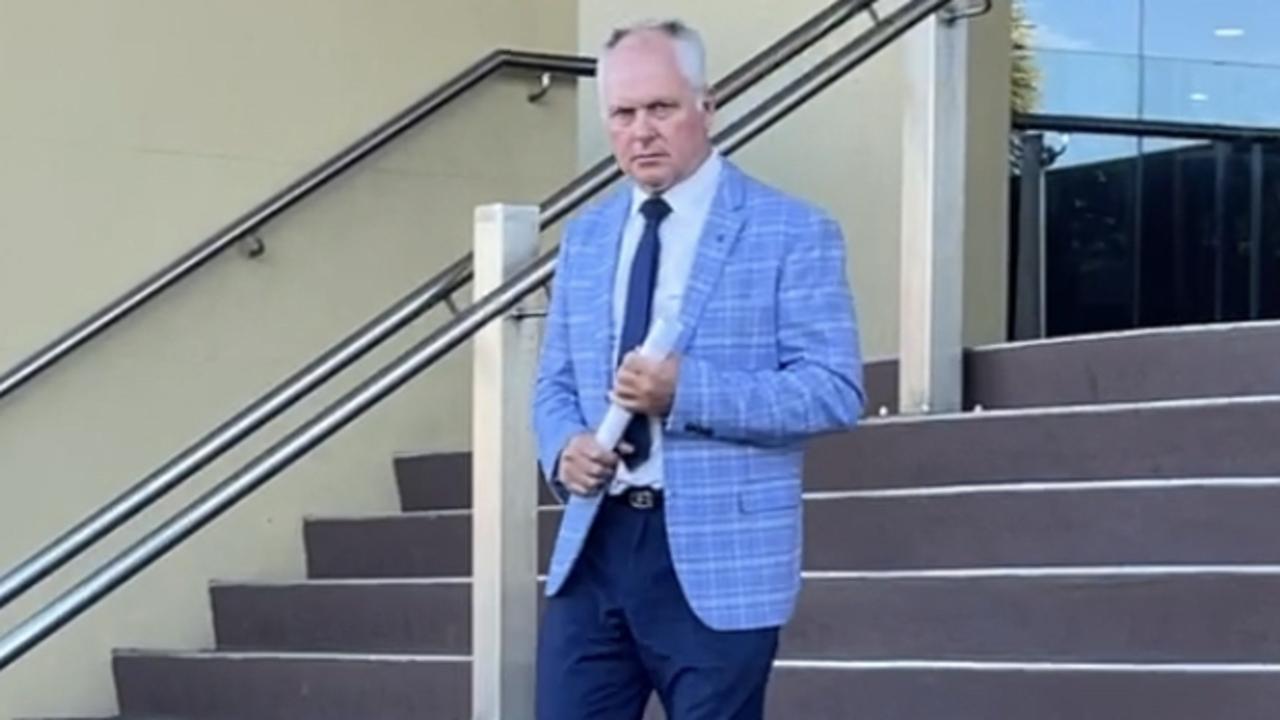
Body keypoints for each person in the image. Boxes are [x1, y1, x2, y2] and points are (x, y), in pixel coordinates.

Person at [531, 17, 864, 720]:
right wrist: (563, 446)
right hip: (596, 546)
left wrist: (686, 390)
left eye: (661, 108)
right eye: (623, 114)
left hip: (722, 561)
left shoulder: (792, 230)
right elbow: (555, 383)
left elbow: (834, 389)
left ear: (705, 106)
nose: (641, 130)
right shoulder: (586, 237)